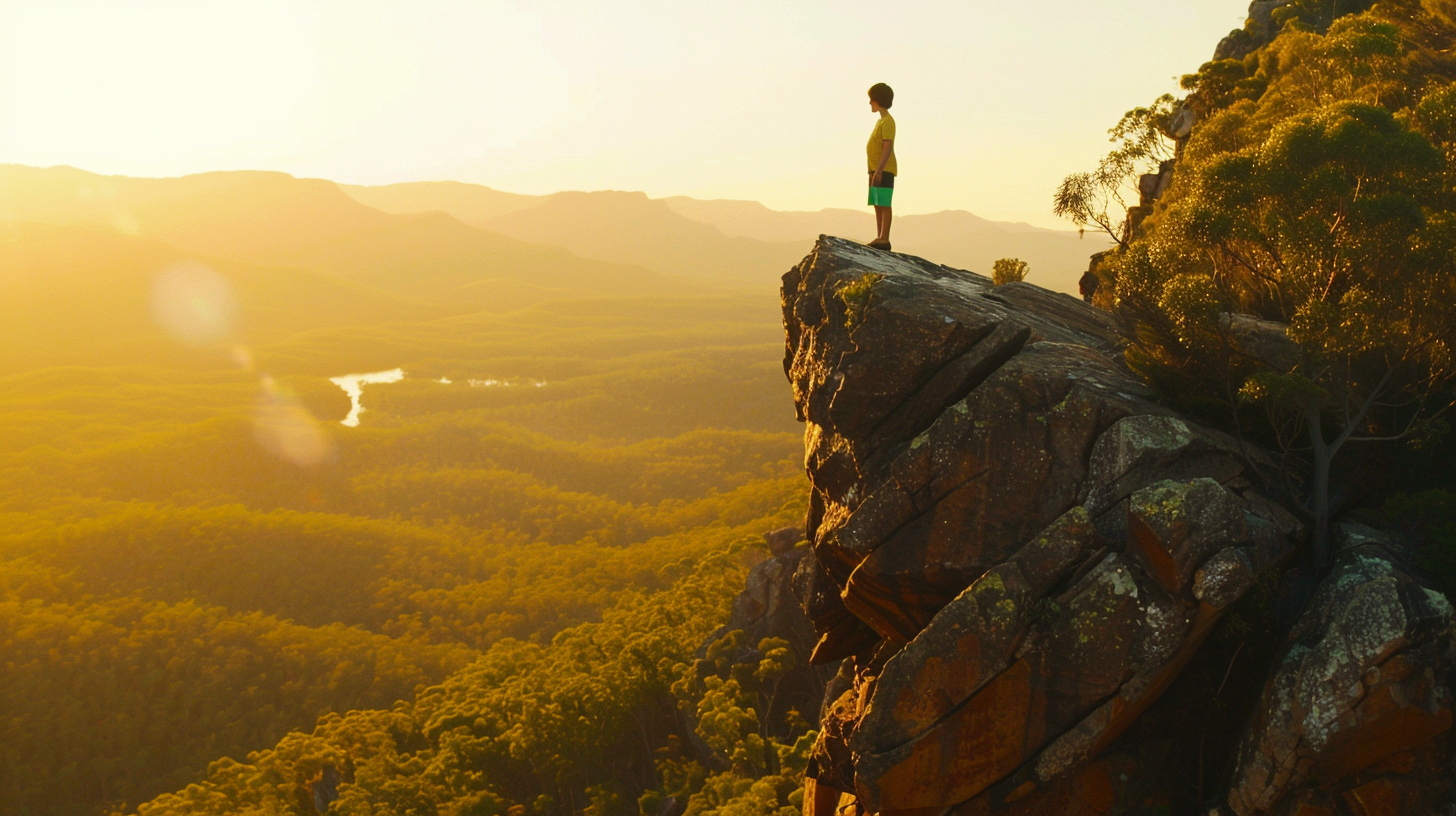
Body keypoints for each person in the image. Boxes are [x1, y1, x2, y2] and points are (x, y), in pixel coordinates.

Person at [866, 83, 896, 251]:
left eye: (872, 100)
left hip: (884, 168)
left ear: (878, 100)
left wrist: (879, 169)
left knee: (884, 202)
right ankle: (880, 237)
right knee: (877, 202)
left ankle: (885, 238)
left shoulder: (888, 122)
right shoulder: (881, 121)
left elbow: (887, 147)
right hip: (874, 168)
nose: (870, 103)